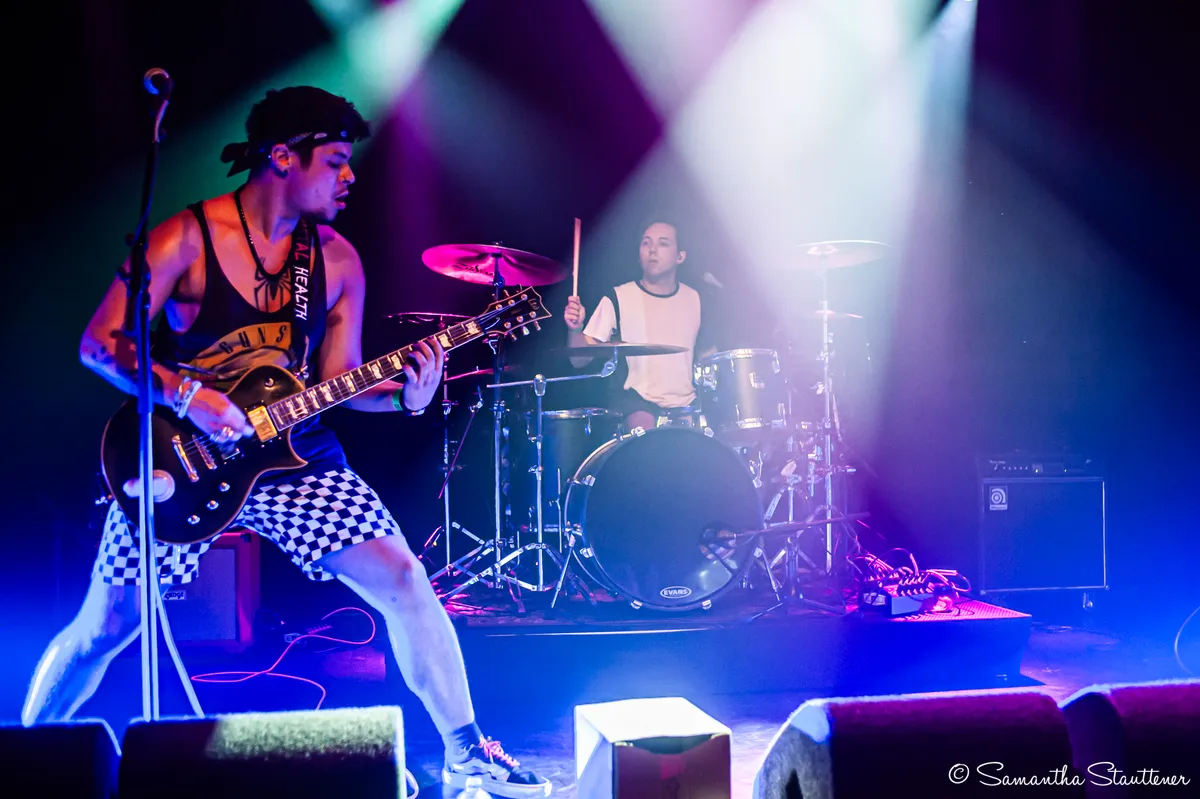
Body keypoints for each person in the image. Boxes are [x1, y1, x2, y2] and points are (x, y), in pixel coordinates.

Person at [21, 86, 551, 799]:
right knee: (106, 625)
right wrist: (188, 395)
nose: (349, 176)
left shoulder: (336, 260)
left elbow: (339, 381)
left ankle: (467, 756)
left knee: (404, 579)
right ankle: (25, 759)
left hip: (295, 459)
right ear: (281, 157)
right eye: (334, 161)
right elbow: (100, 344)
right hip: (181, 455)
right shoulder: (186, 238)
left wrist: (407, 397)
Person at [563, 218, 713, 431]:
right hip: (636, 404)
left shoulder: (696, 299)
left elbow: (709, 359)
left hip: (687, 405)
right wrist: (575, 328)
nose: (652, 250)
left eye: (663, 243)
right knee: (645, 432)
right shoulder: (618, 297)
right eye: (646, 243)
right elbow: (579, 360)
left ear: (680, 256)